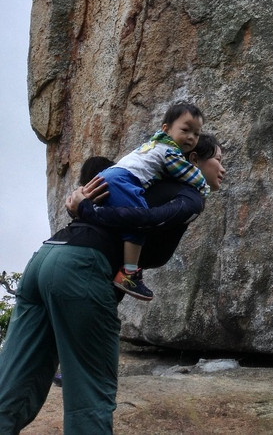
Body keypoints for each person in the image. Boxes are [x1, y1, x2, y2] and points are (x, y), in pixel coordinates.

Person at [0, 133, 225, 435]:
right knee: (90, 398)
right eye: (218, 160)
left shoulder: (141, 179)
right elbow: (148, 219)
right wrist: (85, 209)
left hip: (46, 259)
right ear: (194, 160)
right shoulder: (188, 195)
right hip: (82, 270)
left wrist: (81, 207)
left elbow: (107, 199)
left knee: (13, 386)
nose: (222, 169)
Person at [97, 101, 210, 301]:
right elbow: (188, 173)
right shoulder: (169, 151)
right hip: (123, 180)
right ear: (165, 129)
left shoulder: (154, 145)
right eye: (185, 130)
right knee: (139, 222)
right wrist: (204, 188)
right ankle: (129, 272)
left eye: (196, 133)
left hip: (110, 176)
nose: (191, 137)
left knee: (125, 219)